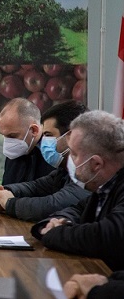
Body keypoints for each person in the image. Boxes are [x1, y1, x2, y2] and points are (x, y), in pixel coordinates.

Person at [31, 110, 124, 271]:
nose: (69, 160)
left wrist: (54, 233)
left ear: (96, 164)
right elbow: (77, 209)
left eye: (73, 154)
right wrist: (57, 222)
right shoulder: (103, 188)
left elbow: (107, 236)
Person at [0, 100, 91, 221]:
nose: (44, 141)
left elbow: (52, 205)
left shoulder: (90, 170)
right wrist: (4, 192)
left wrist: (9, 203)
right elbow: (36, 187)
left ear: (72, 136)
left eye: (49, 135)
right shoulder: (65, 171)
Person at [0, 98, 55, 185]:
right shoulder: (15, 153)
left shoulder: (53, 155)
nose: (7, 142)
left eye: (12, 136)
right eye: (3, 135)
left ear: (34, 130)